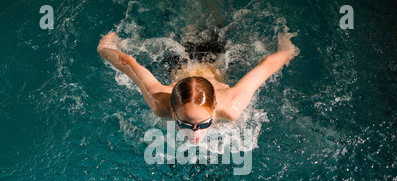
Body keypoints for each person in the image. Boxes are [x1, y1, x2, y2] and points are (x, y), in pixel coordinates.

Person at [97, 31, 298, 144]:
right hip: (179, 61)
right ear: (172, 110)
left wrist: (287, 46)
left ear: (214, 107)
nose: (195, 135)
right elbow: (128, 62)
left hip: (216, 57)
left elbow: (269, 64)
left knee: (212, 27)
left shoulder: (231, 107)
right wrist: (105, 46)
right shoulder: (160, 102)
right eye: (185, 124)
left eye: (203, 124)